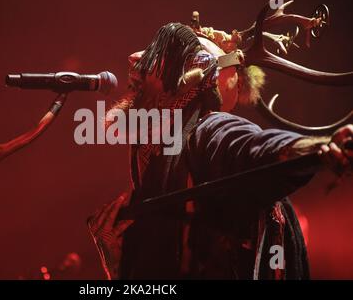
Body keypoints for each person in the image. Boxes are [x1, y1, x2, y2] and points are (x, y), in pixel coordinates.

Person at [87, 23, 353, 280]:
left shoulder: (208, 130)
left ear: (189, 75)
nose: (135, 59)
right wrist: (119, 261)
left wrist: (318, 148)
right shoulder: (152, 156)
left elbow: (251, 149)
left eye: (158, 54)